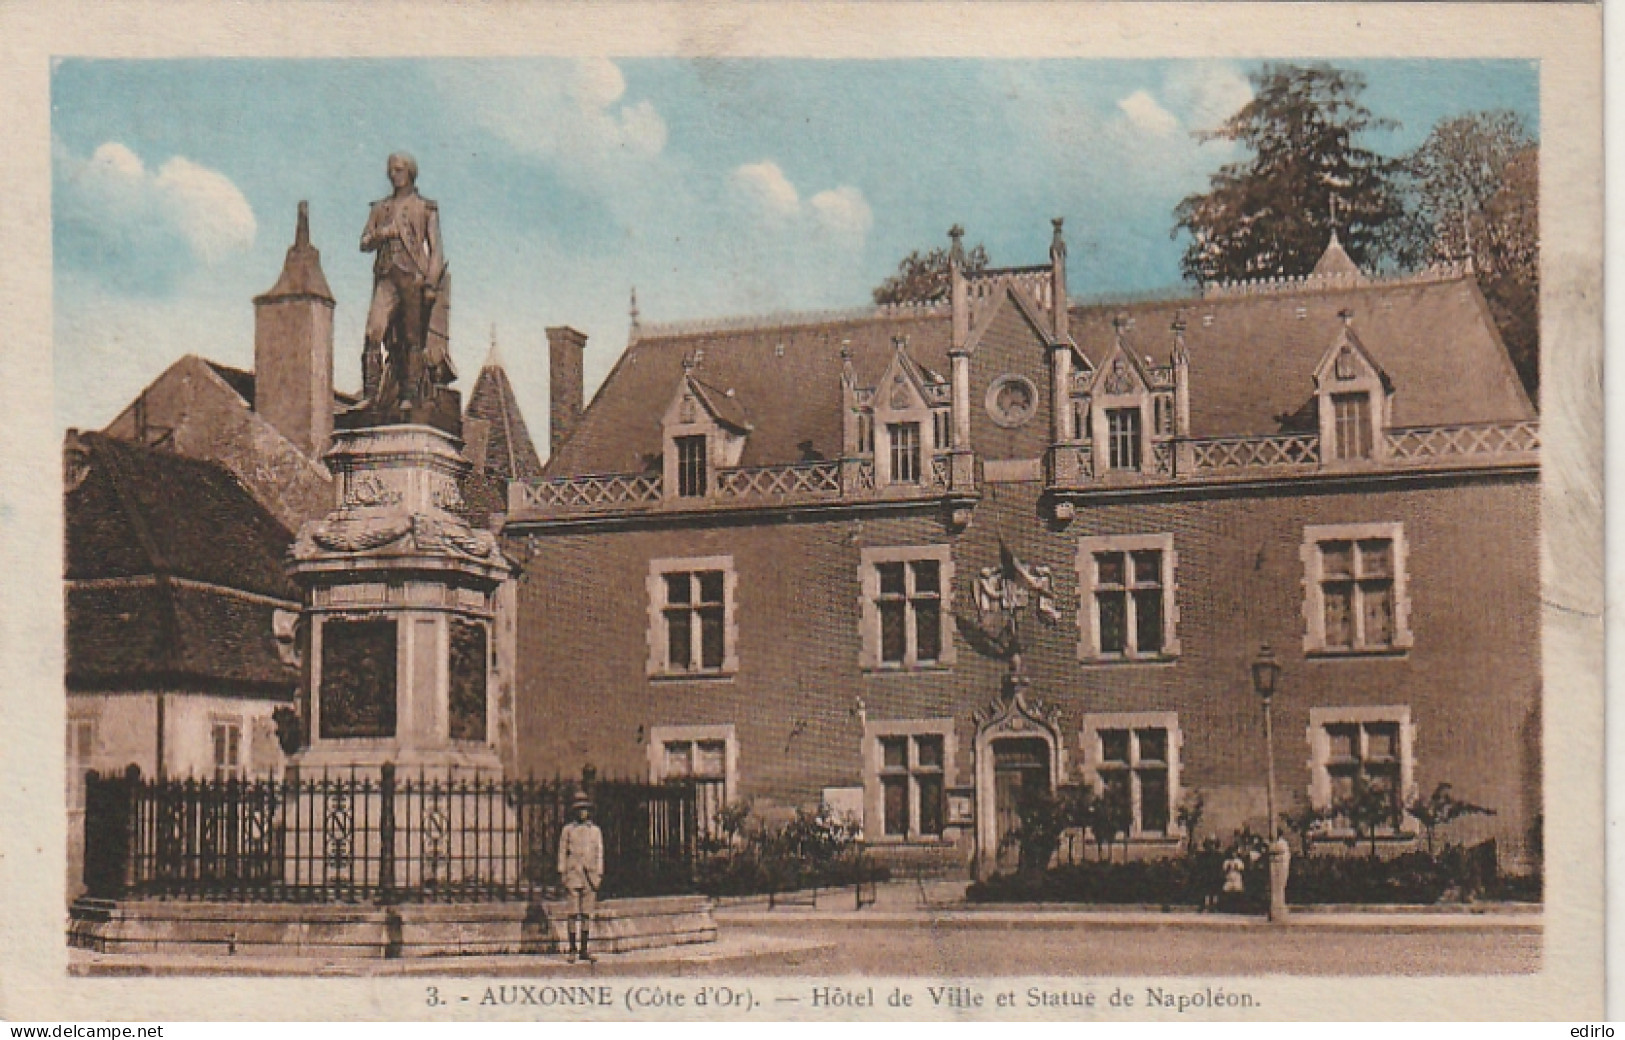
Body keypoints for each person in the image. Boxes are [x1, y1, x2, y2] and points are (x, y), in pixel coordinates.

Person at [359, 152, 452, 414]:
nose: (393, 175)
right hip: (387, 276)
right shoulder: (380, 208)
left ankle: (409, 395)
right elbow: (364, 242)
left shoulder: (425, 208)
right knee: (373, 331)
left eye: (399, 169)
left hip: (413, 277)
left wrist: (432, 285)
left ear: (410, 171)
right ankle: (369, 393)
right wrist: (381, 233)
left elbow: (436, 251)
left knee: (412, 337)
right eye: (391, 170)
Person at [557, 790, 604, 963]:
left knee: (586, 914)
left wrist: (598, 874)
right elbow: (562, 852)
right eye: (579, 809)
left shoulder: (595, 831)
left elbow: (599, 853)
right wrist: (562, 872)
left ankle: (584, 949)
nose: (582, 812)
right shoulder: (568, 830)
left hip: (590, 876)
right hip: (573, 874)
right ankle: (572, 949)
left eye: (585, 809)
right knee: (572, 913)